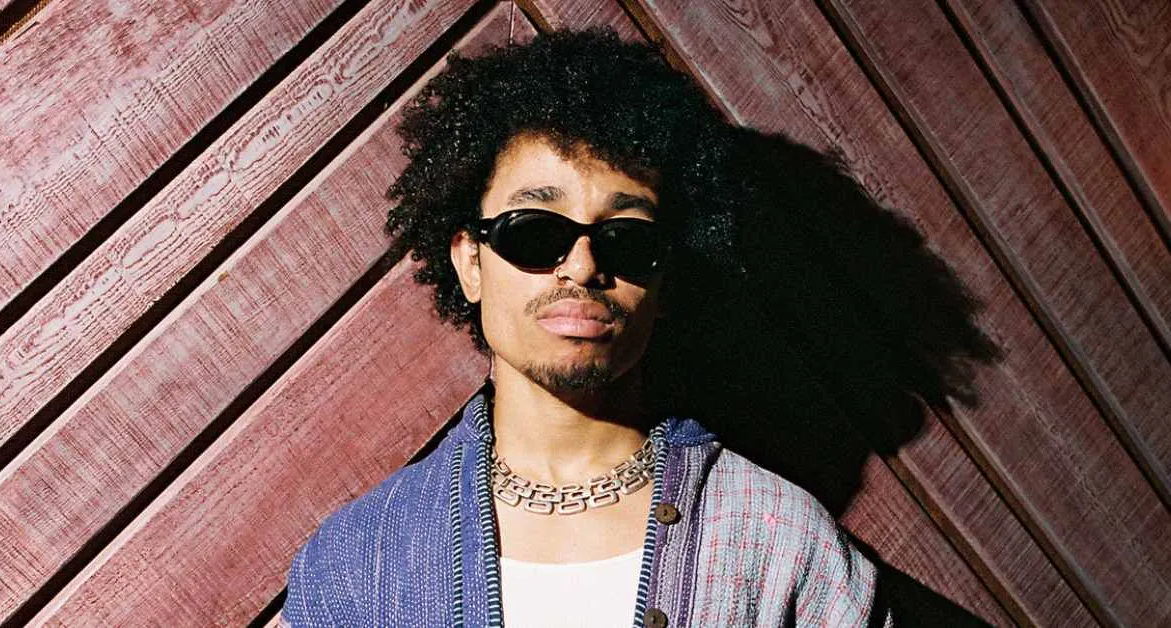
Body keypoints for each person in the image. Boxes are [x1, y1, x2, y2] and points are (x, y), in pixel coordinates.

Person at [283, 28, 897, 627]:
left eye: (627, 240)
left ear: (665, 279)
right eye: (535, 232)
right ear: (470, 263)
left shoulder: (780, 541)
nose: (582, 266)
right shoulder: (356, 565)